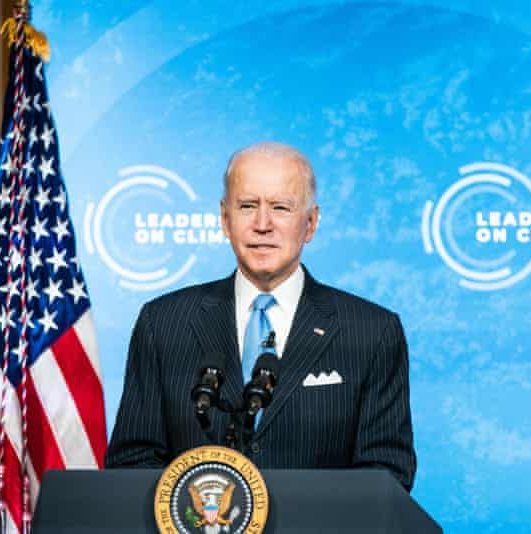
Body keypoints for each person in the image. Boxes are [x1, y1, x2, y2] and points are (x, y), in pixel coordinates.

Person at [105, 141, 416, 490]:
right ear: (225, 219)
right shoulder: (162, 323)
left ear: (310, 223)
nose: (262, 224)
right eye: (248, 205)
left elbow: (387, 474)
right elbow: (131, 463)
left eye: (281, 207)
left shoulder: (370, 331)